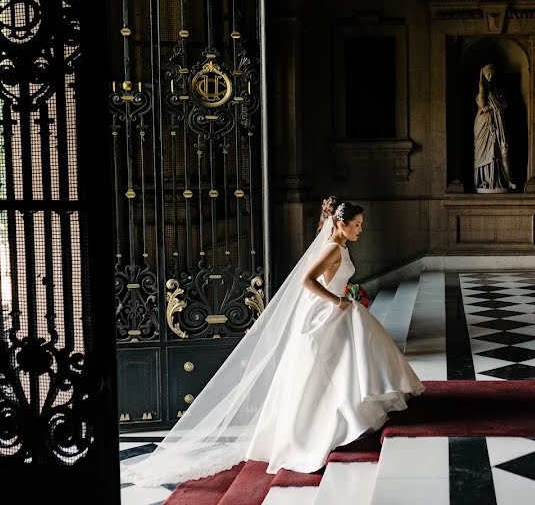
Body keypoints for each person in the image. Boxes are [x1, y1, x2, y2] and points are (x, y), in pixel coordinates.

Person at [120, 197, 424, 485]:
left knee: (346, 363)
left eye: (361, 224)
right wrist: (336, 301)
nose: (361, 229)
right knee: (325, 370)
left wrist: (344, 297)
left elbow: (334, 279)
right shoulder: (332, 247)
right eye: (356, 224)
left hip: (337, 310)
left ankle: (346, 419)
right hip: (325, 315)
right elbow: (307, 280)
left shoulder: (341, 246)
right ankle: (316, 431)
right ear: (341, 224)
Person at [474, 63, 516, 192]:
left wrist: (500, 103)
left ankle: (505, 180)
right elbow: (482, 105)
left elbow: (505, 105)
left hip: (498, 125)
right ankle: (486, 181)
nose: (491, 76)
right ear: (483, 75)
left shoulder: (497, 91)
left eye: (493, 74)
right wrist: (482, 88)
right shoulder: (482, 89)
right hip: (485, 125)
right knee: (486, 152)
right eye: (488, 74)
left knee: (502, 152)